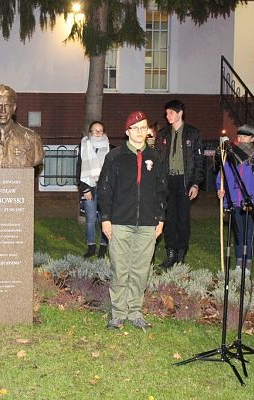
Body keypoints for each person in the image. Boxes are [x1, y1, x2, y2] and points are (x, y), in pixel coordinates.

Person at [98, 111, 167, 330]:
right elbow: (105, 190)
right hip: (120, 221)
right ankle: (118, 313)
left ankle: (135, 311)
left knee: (140, 269)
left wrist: (160, 217)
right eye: (135, 128)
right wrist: (106, 218)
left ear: (148, 131)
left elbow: (161, 190)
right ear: (127, 131)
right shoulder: (115, 157)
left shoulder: (156, 157)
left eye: (143, 127)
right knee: (120, 268)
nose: (140, 132)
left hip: (147, 223)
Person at [216, 124, 254, 277]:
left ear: (252, 138)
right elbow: (222, 176)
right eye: (239, 136)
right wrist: (221, 190)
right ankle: (239, 263)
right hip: (234, 201)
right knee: (238, 234)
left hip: (250, 203)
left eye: (245, 136)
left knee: (248, 234)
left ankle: (248, 264)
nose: (241, 139)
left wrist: (252, 199)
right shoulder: (230, 154)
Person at [156, 99, 204, 269]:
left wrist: (196, 184)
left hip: (185, 181)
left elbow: (199, 161)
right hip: (168, 181)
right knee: (168, 218)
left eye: (170, 112)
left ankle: (181, 253)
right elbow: (157, 160)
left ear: (180, 113)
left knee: (182, 219)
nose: (167, 116)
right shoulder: (162, 134)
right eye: (166, 113)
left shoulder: (193, 134)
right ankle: (170, 253)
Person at [76, 121, 112, 258]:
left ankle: (103, 247)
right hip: (89, 187)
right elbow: (79, 169)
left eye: (100, 130)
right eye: (95, 130)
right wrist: (85, 190)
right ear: (90, 132)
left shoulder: (109, 148)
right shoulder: (83, 147)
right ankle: (91, 246)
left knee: (104, 219)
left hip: (105, 189)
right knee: (90, 219)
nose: (98, 133)